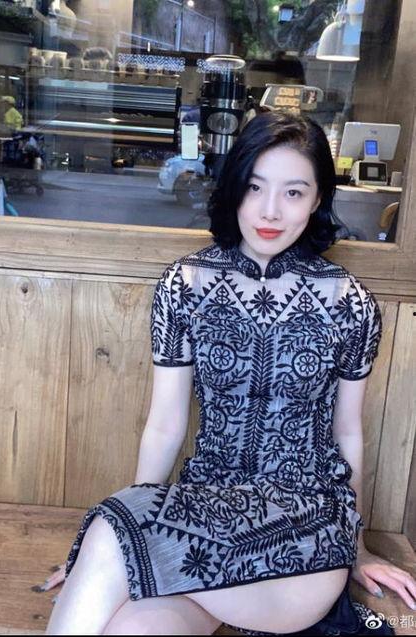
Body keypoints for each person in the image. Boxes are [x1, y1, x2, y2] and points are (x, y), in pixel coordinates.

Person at [42, 112, 416, 635]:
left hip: (307, 526)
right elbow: (165, 424)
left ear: (317, 199)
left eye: (293, 192)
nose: (269, 210)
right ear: (235, 187)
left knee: (110, 535)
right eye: (255, 187)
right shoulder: (185, 285)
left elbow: (348, 432)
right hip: (203, 515)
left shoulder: (348, 301)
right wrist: (131, 537)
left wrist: (358, 549)